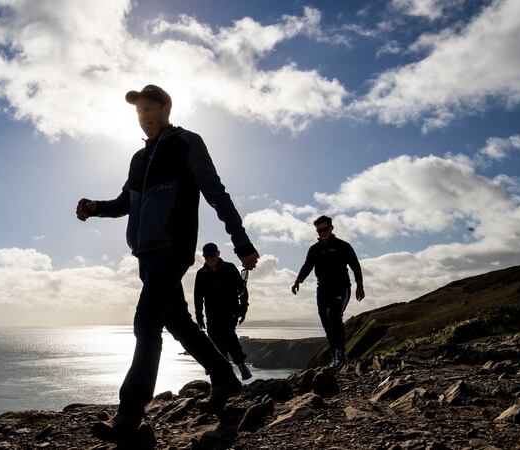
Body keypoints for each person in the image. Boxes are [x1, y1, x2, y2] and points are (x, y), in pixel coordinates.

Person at [76, 84, 259, 443]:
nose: (143, 117)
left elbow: (216, 194)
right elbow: (124, 203)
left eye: (149, 109)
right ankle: (224, 378)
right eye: (139, 111)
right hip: (146, 255)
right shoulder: (138, 159)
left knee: (146, 323)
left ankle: (129, 417)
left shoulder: (187, 143)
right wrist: (96, 207)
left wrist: (242, 243)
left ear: (166, 109)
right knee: (178, 322)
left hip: (172, 249)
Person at [291, 215, 364, 368]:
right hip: (322, 290)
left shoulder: (343, 246)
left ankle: (340, 355)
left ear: (331, 228)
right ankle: (335, 356)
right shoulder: (314, 249)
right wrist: (298, 281)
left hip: (341, 288)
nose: (322, 233)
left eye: (325, 229)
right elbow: (307, 266)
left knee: (334, 315)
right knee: (326, 323)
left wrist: (360, 285)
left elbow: (355, 265)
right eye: (319, 231)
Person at [194, 242, 252, 380]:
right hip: (212, 314)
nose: (210, 259)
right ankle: (223, 373)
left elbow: (242, 289)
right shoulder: (201, 273)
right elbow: (198, 297)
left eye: (212, 256)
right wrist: (199, 316)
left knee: (229, 337)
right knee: (215, 341)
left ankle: (241, 365)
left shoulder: (230, 268)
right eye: (207, 257)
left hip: (230, 311)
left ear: (218, 253)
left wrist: (243, 308)